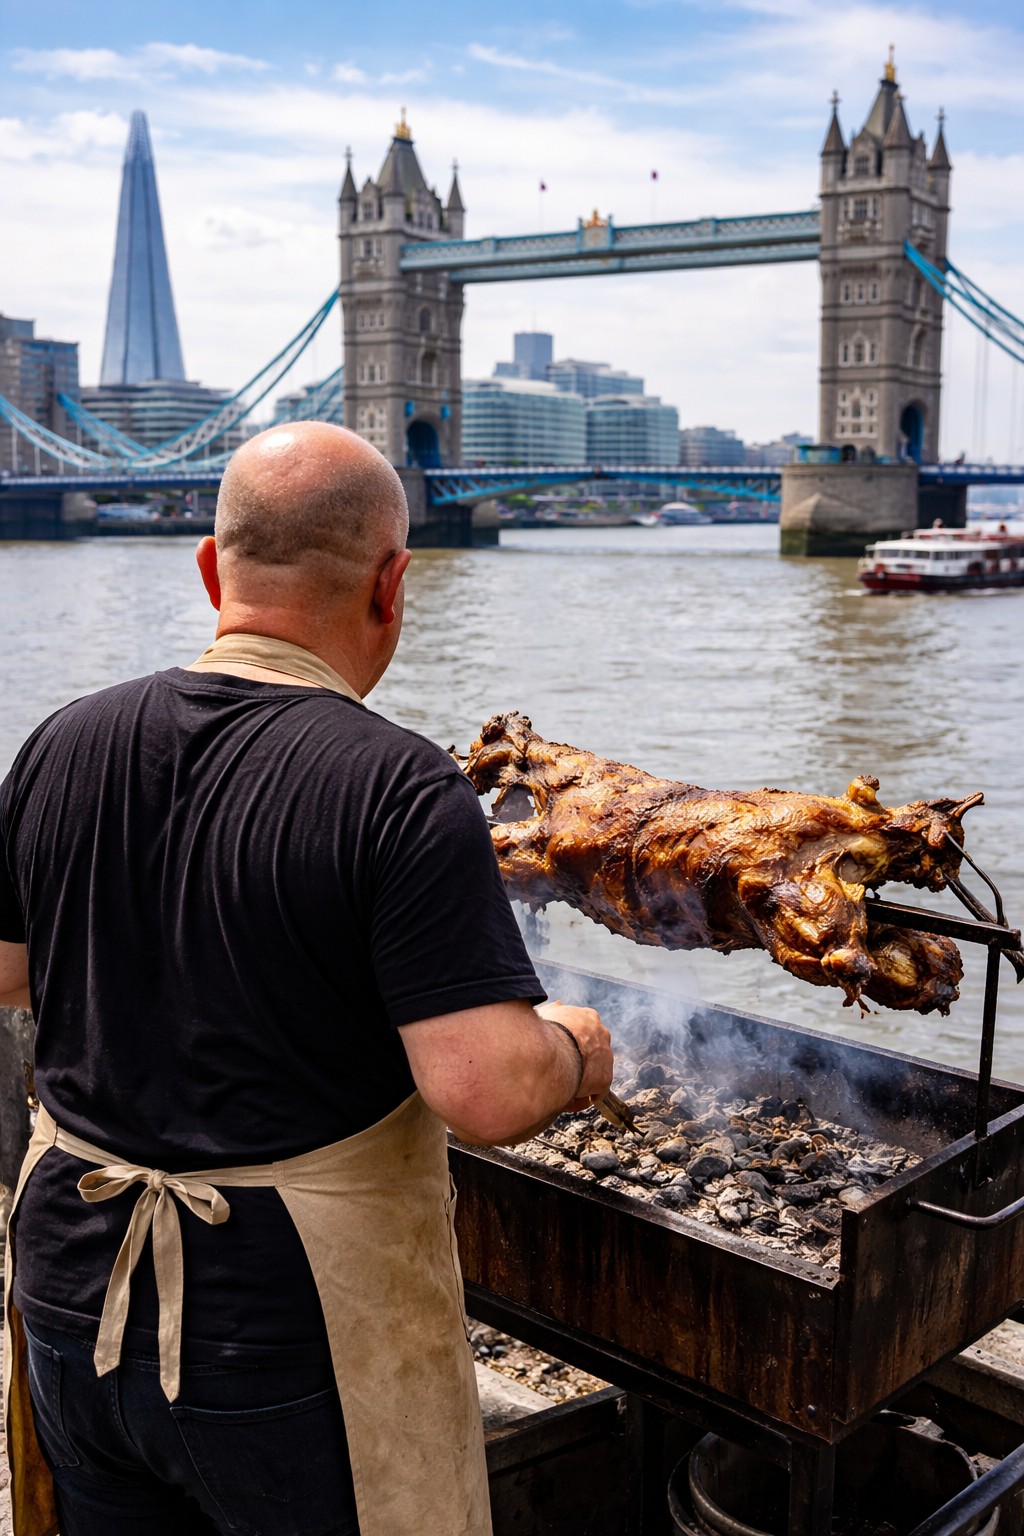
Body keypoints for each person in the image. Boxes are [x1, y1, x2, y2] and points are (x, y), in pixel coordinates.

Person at [0, 421, 613, 1536]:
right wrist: (573, 1046)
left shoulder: (62, 740)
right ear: (392, 585)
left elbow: (5, 974)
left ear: (208, 567)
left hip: (66, 1296)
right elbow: (480, 1090)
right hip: (284, 1335)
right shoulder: (399, 786)